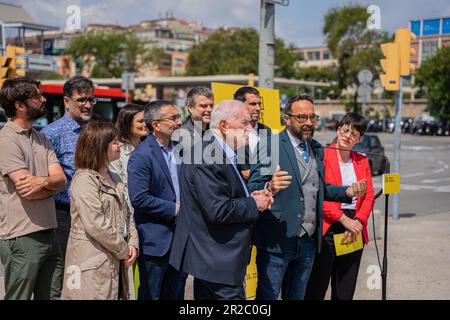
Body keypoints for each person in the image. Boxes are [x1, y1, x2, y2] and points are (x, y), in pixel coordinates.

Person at [247, 94, 367, 300]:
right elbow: (253, 187)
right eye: (302, 117)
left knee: (298, 296)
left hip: (308, 242)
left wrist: (346, 192)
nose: (308, 123)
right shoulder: (271, 145)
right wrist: (269, 185)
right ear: (287, 118)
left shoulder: (316, 148)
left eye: (312, 117)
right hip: (277, 241)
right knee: (268, 296)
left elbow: (318, 188)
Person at [169, 100, 273, 300]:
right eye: (244, 123)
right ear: (224, 125)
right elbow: (218, 209)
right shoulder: (209, 156)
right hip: (217, 259)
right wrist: (254, 204)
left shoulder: (219, 151)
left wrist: (252, 196)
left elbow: (224, 196)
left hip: (216, 258)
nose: (250, 128)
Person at [0, 78, 67, 300]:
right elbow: (26, 190)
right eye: (37, 96)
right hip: (21, 235)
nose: (43, 99)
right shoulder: (6, 140)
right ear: (19, 105)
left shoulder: (40, 137)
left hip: (49, 230)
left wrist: (42, 182)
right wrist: (50, 183)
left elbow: (62, 180)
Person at [61, 122, 139, 300]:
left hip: (115, 260)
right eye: (114, 142)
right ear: (99, 146)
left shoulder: (115, 176)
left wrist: (133, 243)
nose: (119, 144)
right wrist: (124, 249)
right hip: (92, 265)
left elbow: (127, 214)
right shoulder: (84, 179)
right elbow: (95, 223)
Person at [305, 112, 375, 300]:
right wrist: (343, 220)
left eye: (354, 134)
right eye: (345, 130)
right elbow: (319, 193)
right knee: (317, 287)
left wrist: (359, 221)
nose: (348, 136)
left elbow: (368, 196)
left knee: (345, 288)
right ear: (338, 130)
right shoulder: (323, 155)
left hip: (354, 229)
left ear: (359, 139)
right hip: (328, 227)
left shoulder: (362, 161)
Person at [128, 100, 187, 300]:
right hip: (156, 241)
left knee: (176, 293)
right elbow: (139, 198)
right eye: (173, 118)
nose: (179, 122)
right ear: (156, 125)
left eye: (178, 117)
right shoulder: (142, 155)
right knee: (151, 294)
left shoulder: (180, 149)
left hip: (181, 238)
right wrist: (176, 209)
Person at [41, 76, 96, 259]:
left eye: (91, 99)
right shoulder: (51, 134)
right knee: (69, 270)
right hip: (65, 215)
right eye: (81, 100)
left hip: (95, 212)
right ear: (67, 101)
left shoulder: (96, 131)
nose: (87, 105)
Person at [109, 103, 147, 300]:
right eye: (140, 120)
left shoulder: (149, 146)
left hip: (148, 219)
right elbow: (119, 189)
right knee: (125, 279)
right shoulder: (117, 152)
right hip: (127, 221)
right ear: (127, 123)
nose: (145, 124)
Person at [234, 86, 272, 180]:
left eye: (259, 104)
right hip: (242, 191)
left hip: (265, 189)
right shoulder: (230, 132)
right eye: (253, 104)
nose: (258, 108)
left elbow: (271, 165)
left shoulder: (266, 130)